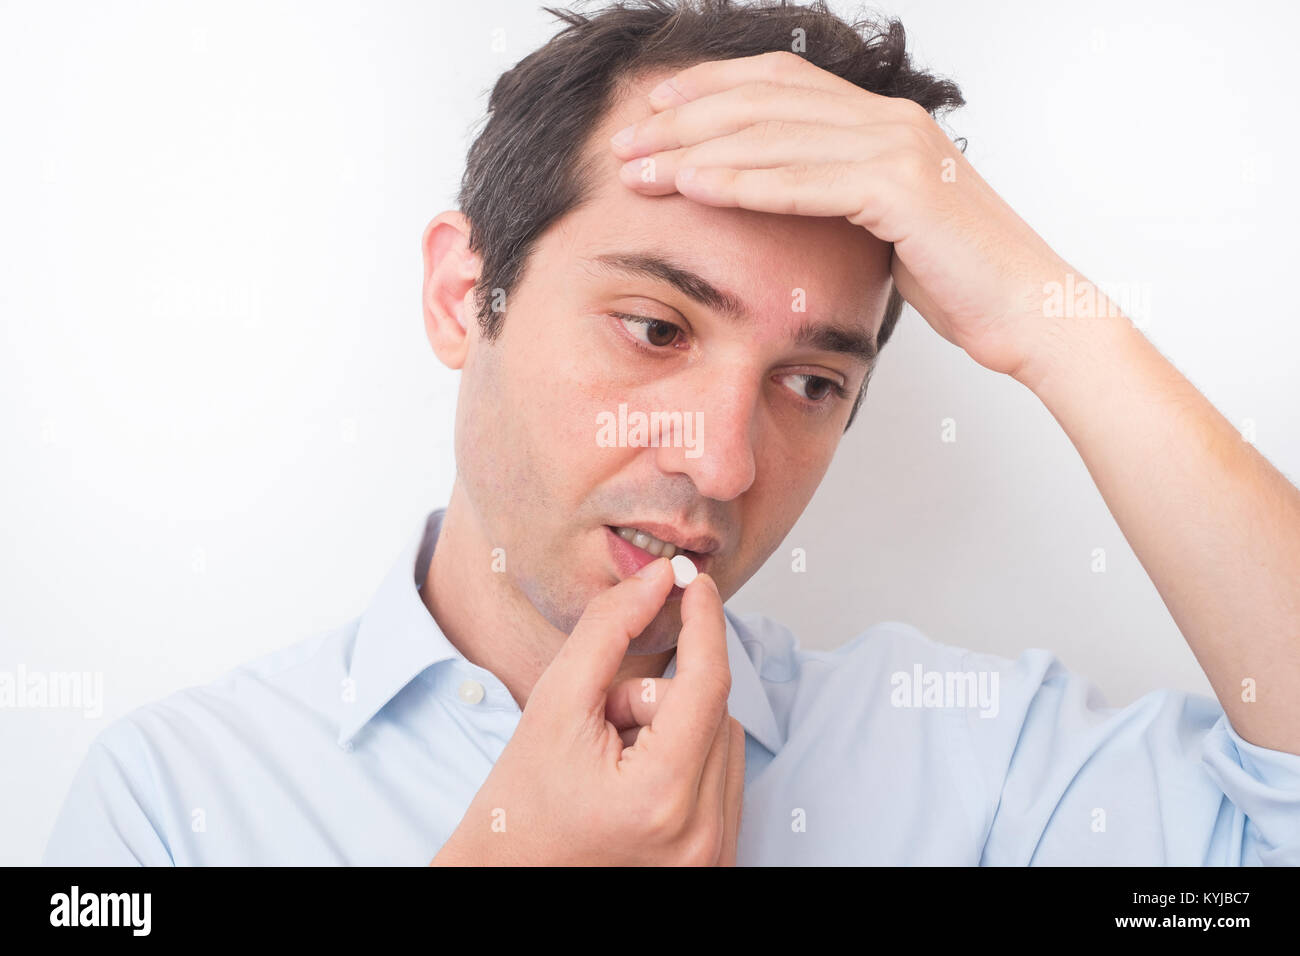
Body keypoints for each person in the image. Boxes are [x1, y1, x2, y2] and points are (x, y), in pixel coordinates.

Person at [44, 0, 1300, 866]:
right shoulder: (173, 801)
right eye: (653, 326)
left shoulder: (975, 766)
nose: (721, 459)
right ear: (456, 297)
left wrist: (1046, 312)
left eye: (810, 381)